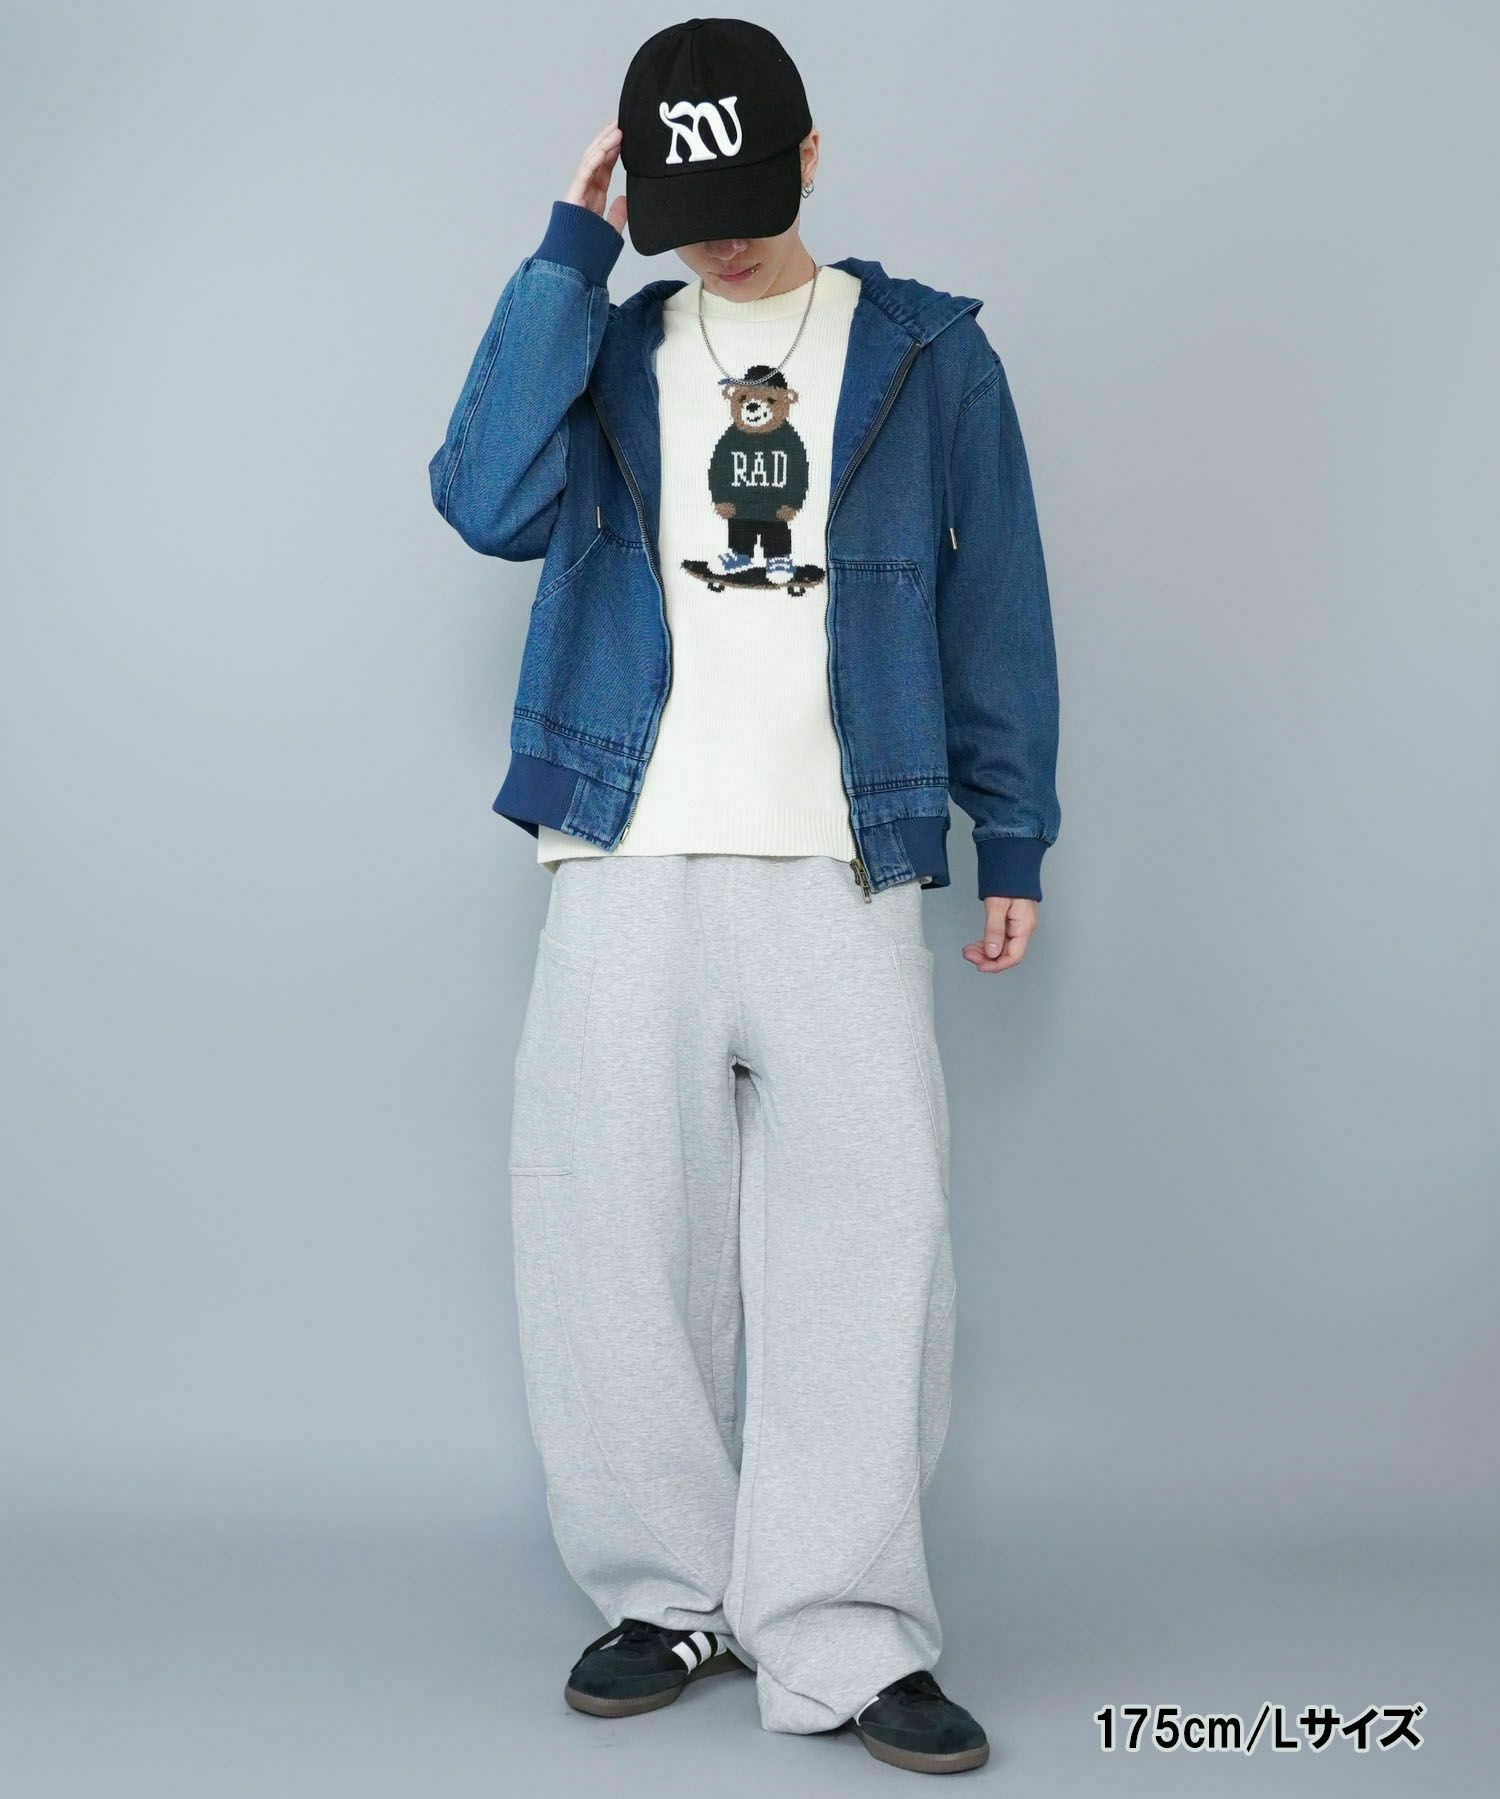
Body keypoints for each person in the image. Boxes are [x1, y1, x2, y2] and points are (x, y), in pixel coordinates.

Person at [428, 17, 1060, 1777]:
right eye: (678, 211)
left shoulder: (927, 353)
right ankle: (666, 1593)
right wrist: (570, 251)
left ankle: (843, 1631)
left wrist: (1011, 830)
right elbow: (482, 499)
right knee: (610, 1240)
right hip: (624, 844)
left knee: (869, 1245)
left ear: (812, 156)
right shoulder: (613, 345)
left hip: (844, 853)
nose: (716, 240)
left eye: (744, 200)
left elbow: (997, 597)